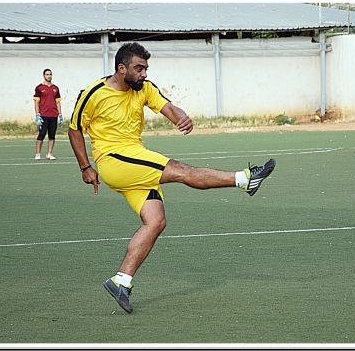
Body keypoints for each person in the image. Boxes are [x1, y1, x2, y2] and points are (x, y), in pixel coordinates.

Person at [68, 42, 276, 314]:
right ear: (121, 69)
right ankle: (244, 179)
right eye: (138, 68)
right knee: (180, 170)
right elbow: (74, 129)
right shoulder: (93, 93)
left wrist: (182, 117)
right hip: (115, 159)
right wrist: (86, 167)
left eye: (145, 68)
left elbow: (167, 108)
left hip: (134, 158)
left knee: (156, 221)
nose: (143, 73)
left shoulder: (145, 88)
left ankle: (122, 280)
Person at [33, 68, 63, 160]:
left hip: (53, 115)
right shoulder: (39, 88)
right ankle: (38, 154)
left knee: (52, 135)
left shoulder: (55, 88)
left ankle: (49, 154)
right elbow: (36, 102)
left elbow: (58, 102)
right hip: (43, 115)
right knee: (41, 135)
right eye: (47, 74)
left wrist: (60, 114)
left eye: (50, 74)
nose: (49, 76)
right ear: (44, 75)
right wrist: (37, 114)